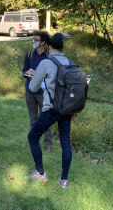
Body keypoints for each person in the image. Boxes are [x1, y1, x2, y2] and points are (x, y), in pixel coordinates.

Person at [25, 33, 73, 188]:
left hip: (52, 108)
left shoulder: (46, 62)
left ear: (49, 47)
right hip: (67, 108)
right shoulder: (70, 62)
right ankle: (63, 180)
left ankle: (40, 172)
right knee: (66, 142)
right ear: (62, 48)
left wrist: (42, 84)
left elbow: (32, 87)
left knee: (33, 137)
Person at [22, 31, 53, 152]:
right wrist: (27, 72)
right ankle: (34, 143)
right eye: (33, 39)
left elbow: (52, 75)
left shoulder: (49, 57)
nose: (33, 41)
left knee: (46, 118)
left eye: (36, 39)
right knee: (33, 119)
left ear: (43, 42)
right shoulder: (29, 55)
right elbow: (24, 71)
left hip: (44, 92)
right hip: (29, 90)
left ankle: (48, 145)